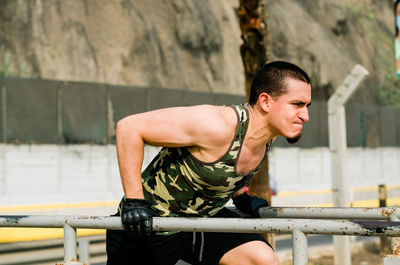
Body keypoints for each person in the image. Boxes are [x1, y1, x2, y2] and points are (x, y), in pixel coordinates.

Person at [106, 61, 311, 265]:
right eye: (297, 104)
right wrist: (134, 202)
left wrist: (241, 198)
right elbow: (129, 127)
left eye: (307, 106)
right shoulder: (214, 124)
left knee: (261, 259)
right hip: (154, 223)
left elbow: (221, 167)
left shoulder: (268, 135)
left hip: (205, 221)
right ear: (266, 102)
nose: (305, 115)